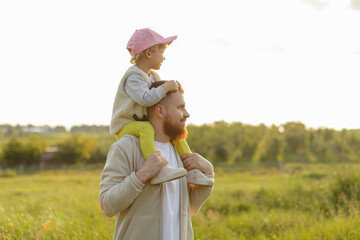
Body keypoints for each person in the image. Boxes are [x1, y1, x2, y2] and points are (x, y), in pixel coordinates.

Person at [99, 81, 214, 240]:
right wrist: (142, 175)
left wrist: (209, 174)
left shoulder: (179, 151)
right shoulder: (126, 147)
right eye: (180, 108)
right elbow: (107, 205)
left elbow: (190, 208)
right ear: (160, 111)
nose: (187, 114)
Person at [110, 27, 210, 185]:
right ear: (149, 53)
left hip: (141, 121)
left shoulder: (153, 76)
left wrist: (172, 88)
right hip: (126, 125)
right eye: (162, 53)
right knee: (147, 129)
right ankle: (158, 169)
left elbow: (161, 97)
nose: (164, 58)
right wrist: (165, 88)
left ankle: (192, 171)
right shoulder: (133, 77)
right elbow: (147, 99)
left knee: (174, 133)